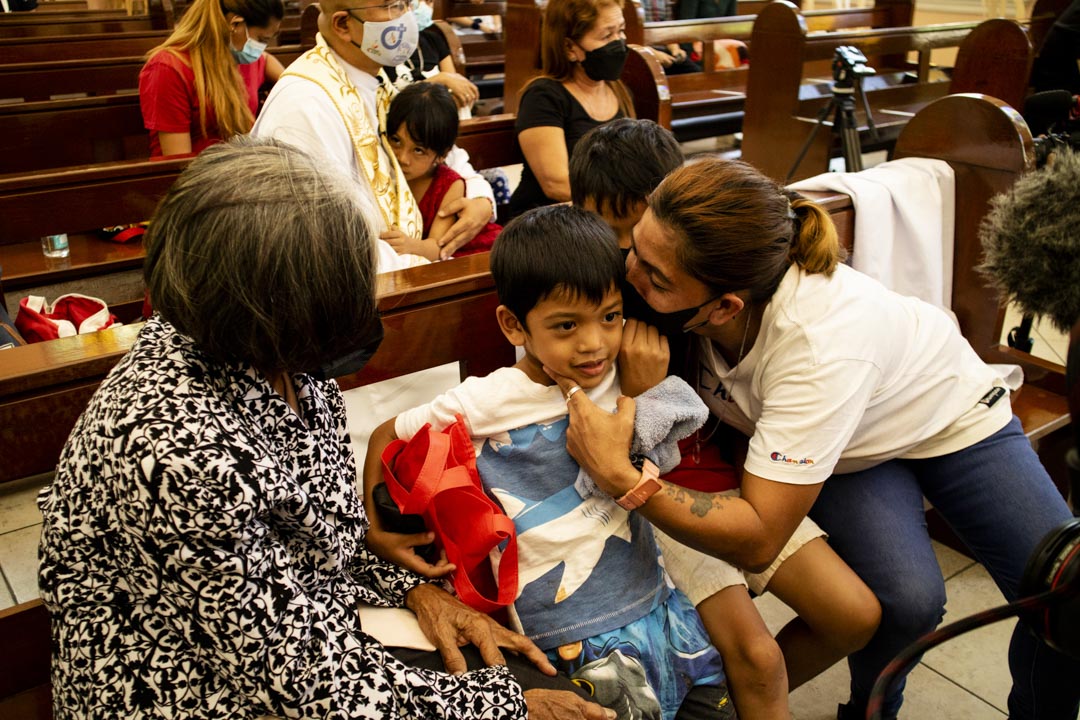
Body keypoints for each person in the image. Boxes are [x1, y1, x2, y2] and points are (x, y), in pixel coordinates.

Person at [36, 136, 613, 720]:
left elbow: (315, 539)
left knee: (524, 666)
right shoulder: (171, 448)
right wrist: (507, 708)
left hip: (303, 634)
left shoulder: (280, 361)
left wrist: (411, 588)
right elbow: (300, 680)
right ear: (270, 308)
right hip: (182, 686)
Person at [548, 156, 1080, 720]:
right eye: (633, 246)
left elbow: (758, 536)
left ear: (724, 307)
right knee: (909, 602)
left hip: (950, 417)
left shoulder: (819, 342)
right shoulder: (693, 276)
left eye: (654, 278)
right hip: (844, 452)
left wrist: (622, 478)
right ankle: (872, 709)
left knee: (1064, 594)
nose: (628, 275)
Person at [364, 205, 735, 720]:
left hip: (659, 605)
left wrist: (641, 390)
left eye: (609, 316)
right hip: (569, 638)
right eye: (566, 326)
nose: (593, 343)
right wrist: (375, 528)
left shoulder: (619, 373)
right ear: (514, 325)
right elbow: (387, 433)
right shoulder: (487, 401)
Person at [570, 122, 880, 720]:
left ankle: (727, 695)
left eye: (649, 255)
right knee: (757, 656)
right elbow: (581, 423)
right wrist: (638, 392)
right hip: (650, 487)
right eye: (620, 238)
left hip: (723, 479)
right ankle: (743, 686)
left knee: (854, 616)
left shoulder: (711, 284)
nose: (631, 267)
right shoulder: (588, 285)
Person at [251, 0, 497, 263]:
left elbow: (446, 153)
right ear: (343, 24)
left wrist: (481, 198)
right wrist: (426, 265)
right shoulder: (307, 105)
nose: (405, 17)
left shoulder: (374, 79)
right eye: (392, 6)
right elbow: (325, 246)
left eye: (405, 4)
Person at [507, 0, 635, 220]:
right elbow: (557, 184)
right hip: (549, 220)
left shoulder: (618, 89)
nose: (619, 43)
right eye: (606, 36)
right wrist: (624, 206)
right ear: (569, 48)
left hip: (605, 216)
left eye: (621, 31)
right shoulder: (544, 96)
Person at [139, 0, 286, 157]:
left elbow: (266, 60)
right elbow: (177, 160)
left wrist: (288, 82)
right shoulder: (168, 68)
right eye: (261, 40)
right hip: (196, 175)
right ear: (235, 24)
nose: (261, 48)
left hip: (239, 164)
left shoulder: (241, 54)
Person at [383, 82, 500, 259]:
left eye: (418, 150)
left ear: (442, 155)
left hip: (475, 259)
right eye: (396, 141)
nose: (402, 158)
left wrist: (410, 245)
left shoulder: (449, 185)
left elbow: (440, 248)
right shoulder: (382, 169)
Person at [384, 0, 481, 118]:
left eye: (430, 2)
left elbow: (454, 82)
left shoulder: (433, 39)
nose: (426, 7)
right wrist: (439, 79)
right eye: (421, 2)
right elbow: (390, 101)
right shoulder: (382, 48)